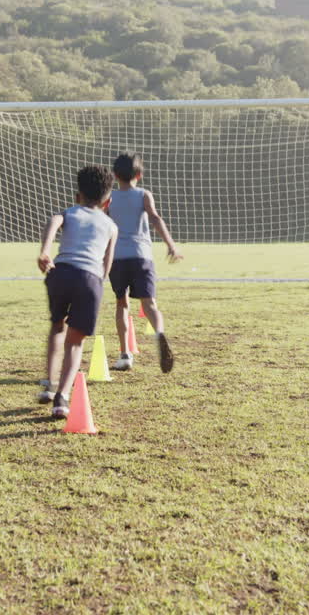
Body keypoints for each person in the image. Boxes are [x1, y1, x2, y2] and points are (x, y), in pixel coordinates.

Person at [36, 165, 118, 418]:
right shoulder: (111, 226)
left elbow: (54, 220)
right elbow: (107, 264)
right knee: (75, 341)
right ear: (108, 201)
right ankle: (62, 397)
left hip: (60, 274)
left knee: (57, 326)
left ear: (77, 196)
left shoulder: (70, 212)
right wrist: (97, 285)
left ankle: (49, 384)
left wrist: (45, 251)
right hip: (89, 280)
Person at [105, 153, 181, 374]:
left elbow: (104, 224)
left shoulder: (109, 198)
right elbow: (155, 218)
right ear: (139, 175)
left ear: (115, 175)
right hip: (141, 256)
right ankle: (159, 333)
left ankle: (125, 355)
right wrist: (171, 244)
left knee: (122, 304)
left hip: (117, 257)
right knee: (149, 304)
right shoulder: (144, 195)